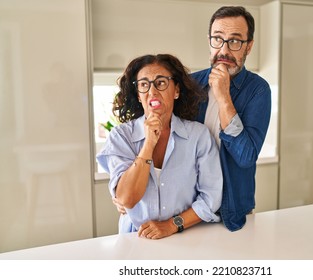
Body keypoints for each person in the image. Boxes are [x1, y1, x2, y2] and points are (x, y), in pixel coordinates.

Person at [97, 54, 222, 239]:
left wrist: (172, 225)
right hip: (136, 239)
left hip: (186, 236)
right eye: (144, 85)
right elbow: (126, 199)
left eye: (161, 83)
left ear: (176, 90)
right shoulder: (121, 136)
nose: (152, 92)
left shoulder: (199, 136)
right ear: (139, 96)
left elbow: (211, 199)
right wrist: (148, 144)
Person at [191, 6, 271, 231]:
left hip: (232, 210)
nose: (224, 50)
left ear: (249, 46)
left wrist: (224, 97)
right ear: (209, 41)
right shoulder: (189, 85)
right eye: (217, 39)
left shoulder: (258, 90)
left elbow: (246, 157)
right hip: (188, 209)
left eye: (235, 41)